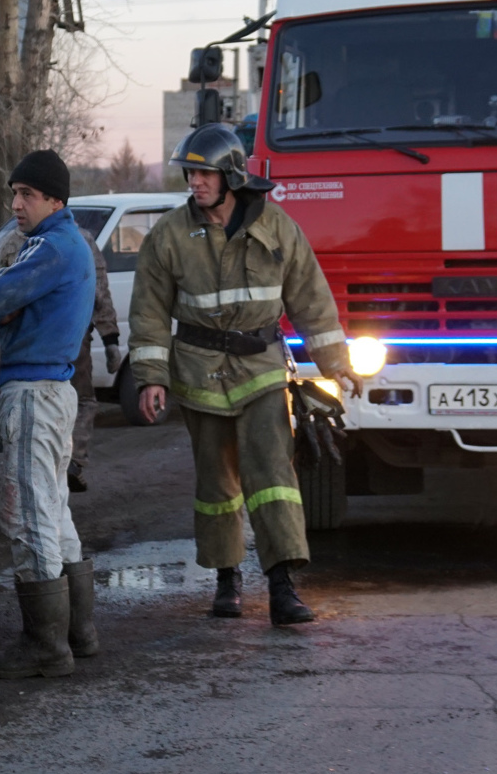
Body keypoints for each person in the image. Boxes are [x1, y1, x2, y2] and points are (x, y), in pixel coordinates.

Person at [127, 124, 362, 626]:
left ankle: (282, 584)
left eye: (204, 173)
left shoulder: (277, 228)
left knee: (273, 476)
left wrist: (336, 363)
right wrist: (151, 377)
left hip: (261, 371)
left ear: (232, 174)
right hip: (199, 374)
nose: (195, 182)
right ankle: (227, 578)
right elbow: (148, 313)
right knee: (216, 484)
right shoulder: (169, 235)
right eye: (190, 173)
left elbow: (310, 298)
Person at [0, 150, 98, 679]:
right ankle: (78, 632)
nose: (16, 203)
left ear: (56, 199)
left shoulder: (51, 249)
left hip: (32, 392)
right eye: (14, 193)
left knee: (28, 515)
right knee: (53, 511)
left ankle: (45, 646)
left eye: (27, 194)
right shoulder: (65, 245)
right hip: (53, 392)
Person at [0, 215, 116, 493]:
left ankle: (62, 462)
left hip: (26, 348)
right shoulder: (77, 241)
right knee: (82, 400)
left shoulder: (13, 241)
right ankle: (72, 460)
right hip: (71, 335)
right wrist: (111, 336)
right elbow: (99, 290)